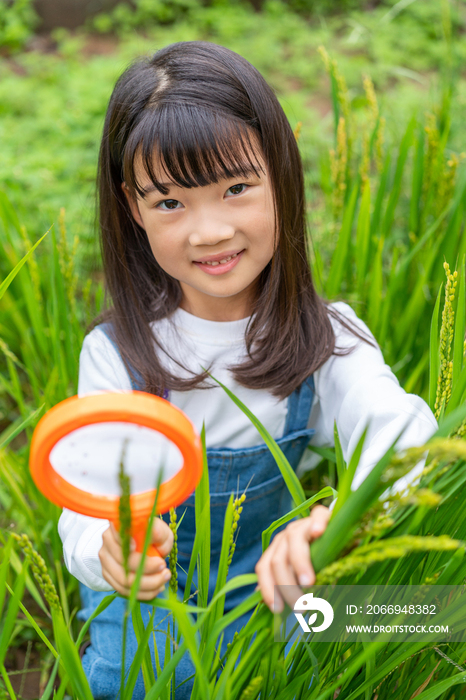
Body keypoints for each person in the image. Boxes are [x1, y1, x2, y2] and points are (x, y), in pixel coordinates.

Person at [58, 40, 437, 699]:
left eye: (236, 188)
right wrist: (105, 550)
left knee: (417, 616)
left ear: (279, 176)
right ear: (132, 207)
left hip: (278, 585)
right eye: (170, 202)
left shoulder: (328, 335)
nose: (208, 231)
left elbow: (406, 439)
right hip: (156, 600)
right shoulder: (117, 351)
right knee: (140, 679)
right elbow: (84, 491)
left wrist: (342, 523)